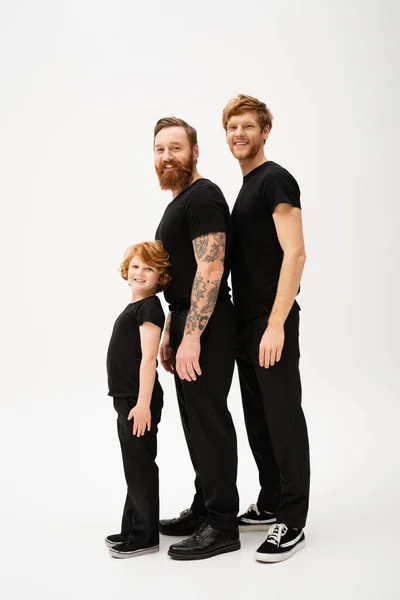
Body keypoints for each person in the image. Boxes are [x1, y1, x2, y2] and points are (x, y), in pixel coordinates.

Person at [222, 94, 311, 563]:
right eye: (232, 127)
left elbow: (295, 253)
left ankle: (292, 519)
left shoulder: (275, 179)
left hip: (269, 320)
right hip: (246, 322)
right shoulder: (246, 186)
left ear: (265, 131)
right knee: (257, 416)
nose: (239, 134)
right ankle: (272, 498)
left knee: (282, 415)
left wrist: (276, 323)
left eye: (248, 126)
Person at [154, 116, 240, 560]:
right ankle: (204, 508)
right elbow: (182, 278)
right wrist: (173, 327)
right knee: (194, 423)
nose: (167, 156)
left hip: (208, 326)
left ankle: (224, 525)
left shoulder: (204, 196)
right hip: (189, 319)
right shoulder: (181, 201)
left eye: (175, 147)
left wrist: (192, 335)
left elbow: (210, 269)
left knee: (209, 420)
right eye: (160, 149)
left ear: (195, 151)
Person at [104, 241, 170, 558]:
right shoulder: (136, 307)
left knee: (140, 465)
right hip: (127, 398)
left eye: (148, 268)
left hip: (137, 400)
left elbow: (148, 359)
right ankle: (132, 527)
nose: (139, 272)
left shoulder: (149, 309)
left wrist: (143, 404)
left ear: (160, 276)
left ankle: (145, 534)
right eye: (135, 266)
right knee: (134, 464)